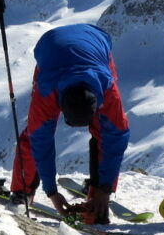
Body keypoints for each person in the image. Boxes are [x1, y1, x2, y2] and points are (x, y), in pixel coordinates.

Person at [9, 23, 130, 224]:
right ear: (59, 104)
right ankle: (22, 192)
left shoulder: (107, 89)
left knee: (107, 130)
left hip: (97, 45)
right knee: (35, 132)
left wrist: (105, 189)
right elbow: (40, 139)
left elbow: (116, 137)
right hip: (50, 50)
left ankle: (97, 195)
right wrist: (52, 192)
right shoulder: (46, 90)